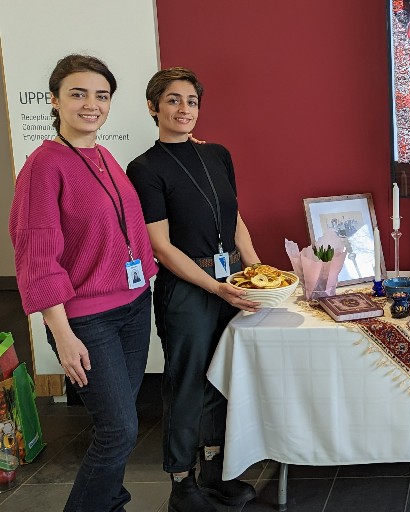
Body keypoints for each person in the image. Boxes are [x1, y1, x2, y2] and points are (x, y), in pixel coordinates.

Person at [9, 54, 159, 512]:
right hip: (86, 319)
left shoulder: (102, 154)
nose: (91, 104)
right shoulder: (44, 164)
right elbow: (37, 256)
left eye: (101, 95)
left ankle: (109, 502)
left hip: (133, 307)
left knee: (121, 422)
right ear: (54, 100)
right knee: (119, 430)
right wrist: (63, 334)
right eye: (78, 93)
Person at [126, 67, 259, 511]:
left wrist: (256, 273)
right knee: (186, 384)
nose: (184, 109)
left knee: (224, 379)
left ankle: (216, 469)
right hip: (187, 289)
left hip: (232, 282)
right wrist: (215, 288)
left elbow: (234, 220)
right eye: (173, 100)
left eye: (192, 101)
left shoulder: (218, 154)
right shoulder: (144, 168)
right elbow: (161, 248)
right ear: (153, 107)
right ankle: (181, 482)